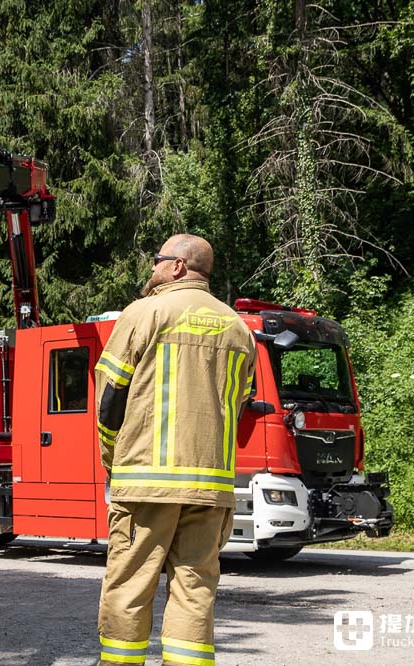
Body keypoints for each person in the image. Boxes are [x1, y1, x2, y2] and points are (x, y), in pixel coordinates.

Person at [95, 234, 256, 665]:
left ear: (178, 267)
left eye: (156, 261)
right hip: (211, 488)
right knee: (195, 590)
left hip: (145, 483)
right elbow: (238, 406)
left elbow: (109, 398)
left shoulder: (144, 312)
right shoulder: (239, 328)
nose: (151, 270)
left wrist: (113, 461)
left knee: (129, 588)